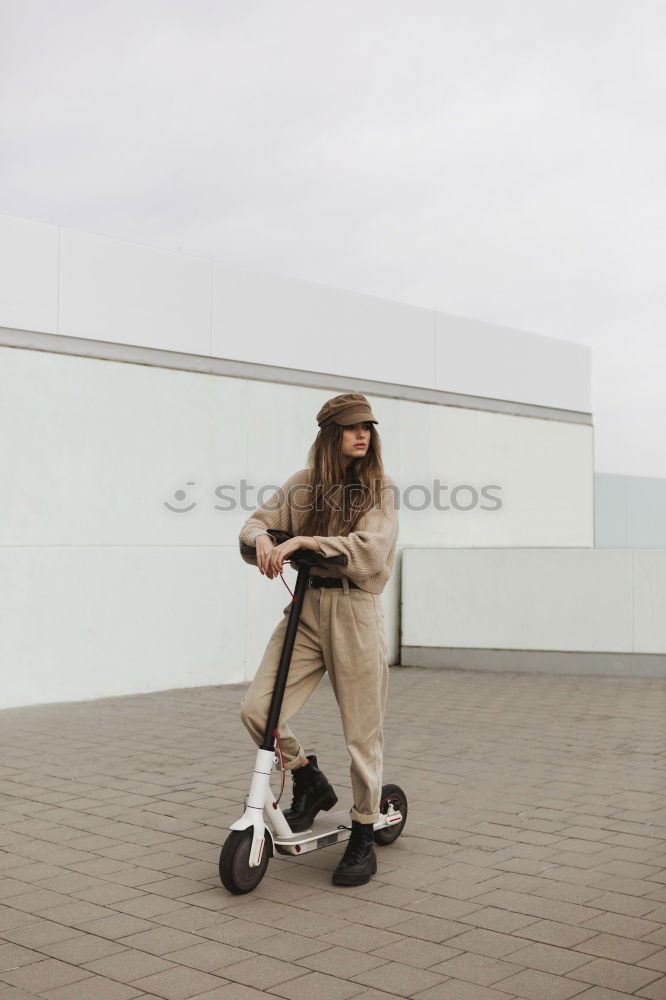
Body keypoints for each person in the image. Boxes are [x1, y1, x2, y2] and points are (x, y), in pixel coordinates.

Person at [237, 391, 399, 886]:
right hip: (306, 609)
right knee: (257, 710)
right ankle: (307, 778)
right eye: (352, 428)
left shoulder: (380, 490)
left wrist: (307, 541)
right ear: (331, 436)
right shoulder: (305, 485)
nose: (361, 435)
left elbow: (371, 549)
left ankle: (364, 831)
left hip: (354, 611)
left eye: (367, 427)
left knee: (361, 735)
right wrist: (264, 538)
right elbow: (255, 524)